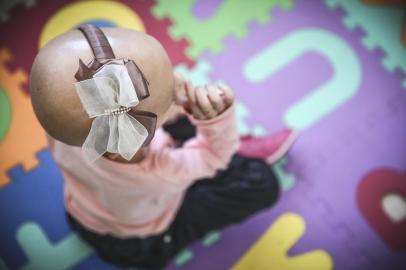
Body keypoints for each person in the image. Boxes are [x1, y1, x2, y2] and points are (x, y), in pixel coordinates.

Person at [30, 25, 296, 269]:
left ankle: (186, 130)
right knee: (262, 182)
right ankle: (223, 142)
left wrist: (166, 103)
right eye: (172, 87)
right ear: (136, 134)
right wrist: (217, 121)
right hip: (143, 242)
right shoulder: (158, 173)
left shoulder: (65, 125)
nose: (180, 80)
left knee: (180, 123)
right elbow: (215, 157)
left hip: (84, 214)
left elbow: (117, 114)